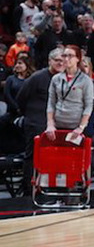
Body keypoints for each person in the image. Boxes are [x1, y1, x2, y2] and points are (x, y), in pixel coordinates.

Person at [16, 49, 64, 187]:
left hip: (56, 124)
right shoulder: (37, 77)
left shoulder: (64, 79)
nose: (60, 63)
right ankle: (27, 189)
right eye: (57, 60)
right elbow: (21, 97)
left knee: (54, 157)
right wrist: (31, 115)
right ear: (50, 61)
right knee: (32, 157)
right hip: (35, 123)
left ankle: (50, 187)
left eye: (62, 60)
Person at [45, 46, 94, 144]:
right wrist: (50, 124)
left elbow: (89, 105)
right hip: (58, 124)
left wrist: (81, 127)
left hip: (76, 125)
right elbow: (51, 102)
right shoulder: (56, 78)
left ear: (78, 59)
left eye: (70, 56)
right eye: (64, 55)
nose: (66, 59)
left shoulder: (86, 80)